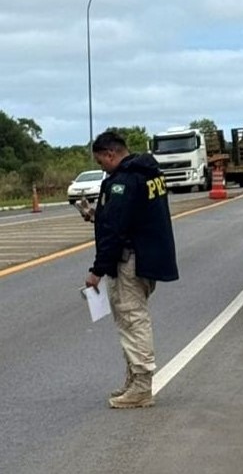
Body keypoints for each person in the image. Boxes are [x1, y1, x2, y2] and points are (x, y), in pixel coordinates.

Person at [83, 131, 179, 409]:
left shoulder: (123, 181)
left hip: (131, 260)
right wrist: (96, 214)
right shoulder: (150, 173)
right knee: (131, 317)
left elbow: (115, 228)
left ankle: (141, 386)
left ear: (110, 154)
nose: (102, 167)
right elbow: (130, 215)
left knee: (132, 319)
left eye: (101, 162)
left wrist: (97, 270)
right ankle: (133, 378)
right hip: (149, 258)